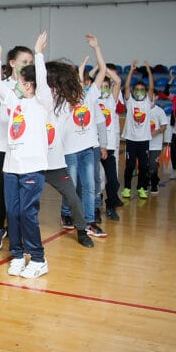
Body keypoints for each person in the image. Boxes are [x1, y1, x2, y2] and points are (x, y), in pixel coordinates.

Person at [0, 32, 52, 278]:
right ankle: (18, 255)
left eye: (22, 82)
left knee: (26, 213)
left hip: (32, 168)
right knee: (13, 212)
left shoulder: (42, 103)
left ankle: (39, 259)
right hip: (11, 167)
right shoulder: (14, 102)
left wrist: (38, 53)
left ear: (32, 85)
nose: (18, 85)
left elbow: (40, 78)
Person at [0, 41, 34, 251]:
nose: (27, 64)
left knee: (21, 194)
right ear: (12, 63)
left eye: (31, 62)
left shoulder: (33, 87)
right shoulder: (2, 83)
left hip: (22, 148)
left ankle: (18, 231)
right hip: (1, 146)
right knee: (1, 191)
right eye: (24, 61)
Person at [57, 35, 108, 237]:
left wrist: (97, 48)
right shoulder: (62, 99)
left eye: (82, 80)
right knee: (72, 185)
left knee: (89, 186)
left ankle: (89, 221)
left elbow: (103, 71)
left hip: (88, 149)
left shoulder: (90, 95)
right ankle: (65, 213)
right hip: (70, 150)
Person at [121, 60, 154, 200]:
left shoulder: (148, 101)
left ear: (145, 92)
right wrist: (131, 71)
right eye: (137, 90)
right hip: (131, 139)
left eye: (142, 90)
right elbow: (127, 86)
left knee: (144, 166)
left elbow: (152, 87)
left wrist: (148, 70)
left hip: (144, 139)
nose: (139, 92)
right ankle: (127, 188)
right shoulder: (130, 102)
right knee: (129, 165)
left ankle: (141, 188)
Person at [96, 64, 123, 220]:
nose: (104, 89)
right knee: (97, 180)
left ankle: (111, 206)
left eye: (107, 86)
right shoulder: (92, 101)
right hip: (95, 146)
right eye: (102, 86)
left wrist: (105, 70)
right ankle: (96, 207)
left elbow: (118, 82)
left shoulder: (111, 101)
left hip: (110, 147)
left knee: (112, 180)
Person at [148, 101, 169, 194]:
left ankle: (154, 183)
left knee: (153, 164)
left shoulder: (159, 111)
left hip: (155, 144)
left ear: (156, 97)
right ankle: (146, 181)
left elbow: (164, 126)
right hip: (144, 143)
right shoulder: (142, 109)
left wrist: (158, 131)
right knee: (145, 164)